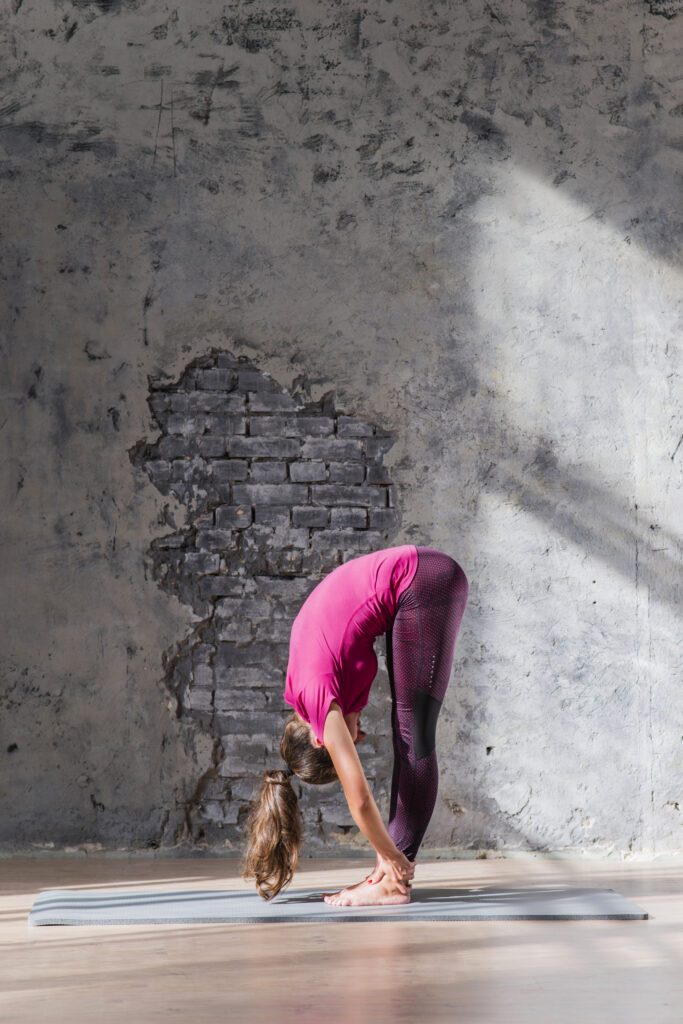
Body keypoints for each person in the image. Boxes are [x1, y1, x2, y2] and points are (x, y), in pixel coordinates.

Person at [241, 544, 469, 906]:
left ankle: (393, 882)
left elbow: (360, 800)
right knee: (409, 733)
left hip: (423, 580)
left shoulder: (316, 695)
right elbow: (346, 643)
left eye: (347, 745)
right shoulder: (302, 684)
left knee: (413, 738)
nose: (357, 738)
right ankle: (385, 876)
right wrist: (349, 723)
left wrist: (394, 857)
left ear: (320, 741)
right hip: (421, 579)